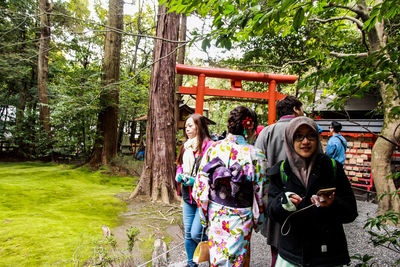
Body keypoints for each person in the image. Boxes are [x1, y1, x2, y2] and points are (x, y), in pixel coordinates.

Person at [266, 117, 358, 266]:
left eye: (310, 135)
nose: (305, 141)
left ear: (317, 137)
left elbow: (351, 212)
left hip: (327, 257)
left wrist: (332, 204)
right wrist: (283, 203)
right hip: (292, 255)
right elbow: (271, 211)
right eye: (299, 136)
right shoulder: (282, 170)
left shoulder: (332, 168)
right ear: (290, 139)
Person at [192, 106, 267, 266]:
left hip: (216, 212)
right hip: (241, 216)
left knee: (217, 259)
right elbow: (261, 192)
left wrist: (204, 215)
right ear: (250, 126)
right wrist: (258, 218)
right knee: (236, 261)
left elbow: (200, 186)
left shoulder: (213, 148)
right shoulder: (255, 154)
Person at [254, 95, 304, 266]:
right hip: (301, 197)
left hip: (274, 196)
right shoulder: (306, 131)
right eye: (301, 108)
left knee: (276, 240)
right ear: (296, 109)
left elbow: (258, 169)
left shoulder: (266, 132)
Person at [175, 114, 214, 267]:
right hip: (187, 196)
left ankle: (217, 251)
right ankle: (191, 264)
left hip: (203, 198)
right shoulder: (185, 146)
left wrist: (196, 180)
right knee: (188, 234)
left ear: (200, 126)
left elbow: (214, 172)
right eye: (186, 126)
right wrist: (179, 175)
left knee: (197, 233)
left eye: (191, 125)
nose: (188, 129)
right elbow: (179, 165)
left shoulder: (210, 147)